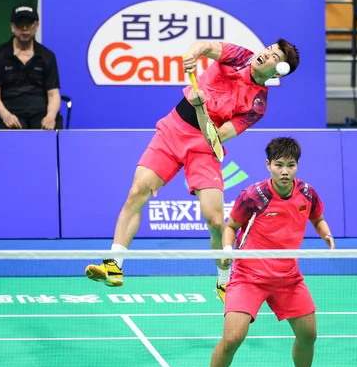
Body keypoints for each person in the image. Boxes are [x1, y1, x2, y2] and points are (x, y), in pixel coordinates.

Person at [85, 39, 300, 303]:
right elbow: (206, 46)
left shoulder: (257, 105)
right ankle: (113, 263)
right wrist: (191, 56)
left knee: (215, 220)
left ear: (279, 72)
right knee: (137, 191)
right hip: (173, 130)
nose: (265, 54)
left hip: (204, 146)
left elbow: (219, 135)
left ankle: (224, 281)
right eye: (268, 49)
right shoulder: (238, 56)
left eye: (273, 57)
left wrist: (201, 108)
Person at [209, 137, 335, 367]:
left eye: (290, 165)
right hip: (249, 277)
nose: (285, 171)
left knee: (309, 336)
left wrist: (326, 234)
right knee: (232, 338)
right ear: (268, 165)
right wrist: (227, 249)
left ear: (297, 165)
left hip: (288, 278)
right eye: (279, 165)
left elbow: (317, 219)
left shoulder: (307, 193)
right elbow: (231, 226)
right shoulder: (254, 195)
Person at [0, 4, 62, 130]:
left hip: (40, 114)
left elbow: (53, 94)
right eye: (20, 24)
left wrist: (50, 116)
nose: (25, 29)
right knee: (9, 131)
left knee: (50, 131)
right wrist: (5, 115)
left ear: (36, 26)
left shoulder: (47, 56)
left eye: (29, 24)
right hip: (11, 112)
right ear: (12, 27)